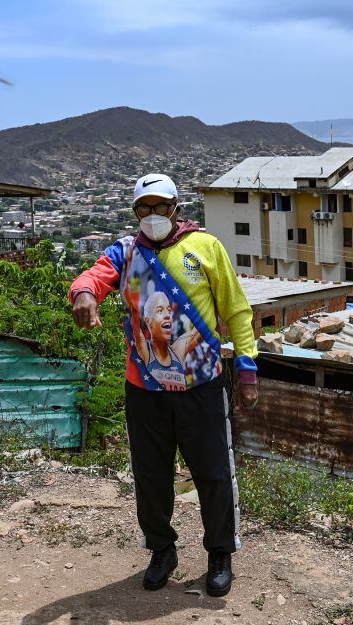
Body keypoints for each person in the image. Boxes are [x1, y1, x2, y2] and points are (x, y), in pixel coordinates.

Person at [69, 173, 259, 597]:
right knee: (151, 475)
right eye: (144, 207)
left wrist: (247, 372)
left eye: (160, 206)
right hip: (145, 389)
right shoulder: (125, 253)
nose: (152, 214)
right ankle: (161, 550)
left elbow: (237, 311)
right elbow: (93, 277)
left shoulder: (204, 247)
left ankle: (219, 553)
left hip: (202, 386)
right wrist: (83, 294)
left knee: (213, 474)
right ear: (135, 211)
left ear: (176, 208)